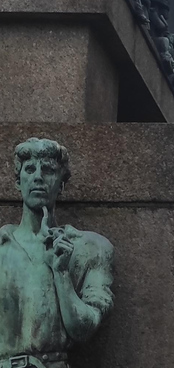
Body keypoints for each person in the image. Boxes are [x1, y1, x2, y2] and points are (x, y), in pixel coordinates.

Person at [0, 138, 114, 368]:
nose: (38, 177)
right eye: (30, 169)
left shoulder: (90, 248)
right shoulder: (2, 246)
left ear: (61, 184)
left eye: (49, 170)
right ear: (17, 181)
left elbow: (83, 329)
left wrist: (61, 272)